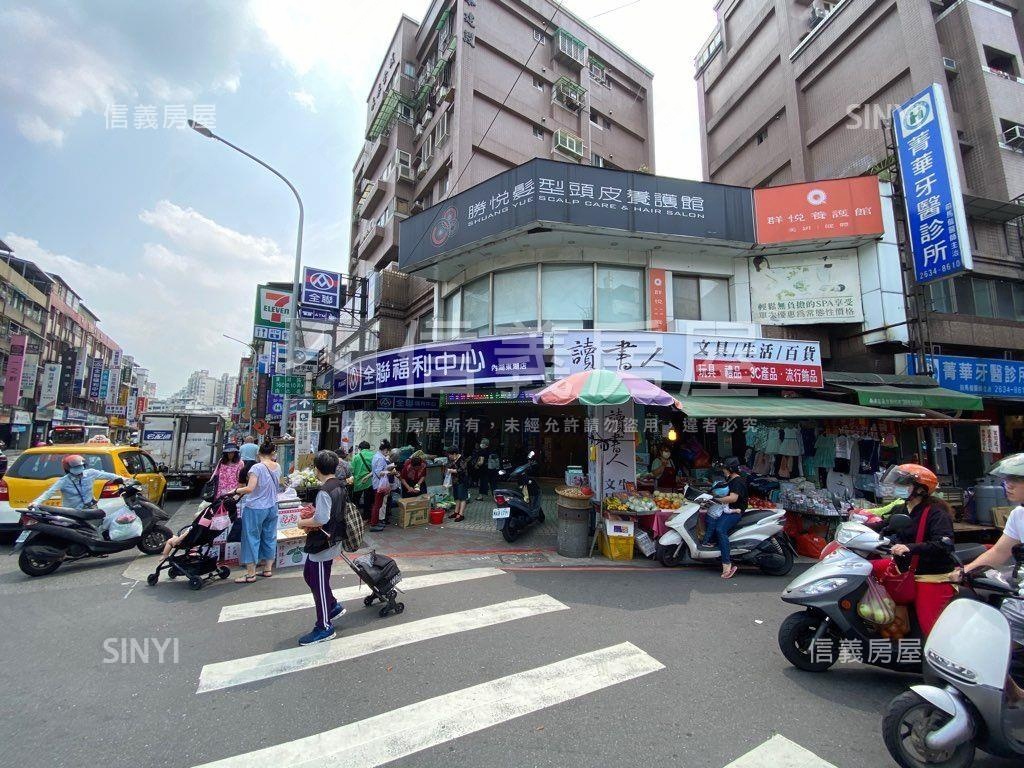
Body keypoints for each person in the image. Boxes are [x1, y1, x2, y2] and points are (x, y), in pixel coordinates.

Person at [961, 453, 1024, 704]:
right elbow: (999, 552)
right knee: (987, 649)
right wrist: (965, 571)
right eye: (1006, 479)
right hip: (1019, 600)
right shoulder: (1018, 515)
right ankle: (1014, 696)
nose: (1007, 485)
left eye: (1016, 480)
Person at [875, 463, 957, 637]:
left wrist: (909, 547)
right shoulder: (902, 509)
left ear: (920, 489)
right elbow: (883, 525)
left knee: (932, 630)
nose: (898, 488)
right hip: (902, 569)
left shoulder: (936, 513)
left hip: (931, 576)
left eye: (903, 484)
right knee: (867, 568)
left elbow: (944, 544)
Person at [295, 450, 348, 646]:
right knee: (310, 575)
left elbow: (321, 519)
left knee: (317, 581)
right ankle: (331, 605)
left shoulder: (325, 490)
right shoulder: (340, 485)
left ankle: (324, 626)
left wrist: (302, 523)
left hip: (323, 543)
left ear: (317, 469)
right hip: (333, 538)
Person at [31, 455, 132, 533]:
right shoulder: (64, 481)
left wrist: (126, 480)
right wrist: (36, 503)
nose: (78, 468)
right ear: (68, 469)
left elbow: (110, 476)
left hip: (90, 509)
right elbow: (49, 492)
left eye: (80, 466)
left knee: (96, 528)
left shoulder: (91, 473)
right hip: (73, 512)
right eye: (75, 467)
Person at [233, 441, 283, 583]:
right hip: (272, 506)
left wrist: (235, 491)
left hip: (256, 507)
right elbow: (278, 484)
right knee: (269, 536)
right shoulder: (277, 466)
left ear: (259, 454)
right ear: (273, 453)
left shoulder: (257, 467)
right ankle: (267, 569)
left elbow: (250, 488)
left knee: (251, 538)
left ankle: (250, 574)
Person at [705, 457, 748, 579]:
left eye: (725, 468)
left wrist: (715, 499)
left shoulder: (738, 481)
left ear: (730, 469)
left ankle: (727, 564)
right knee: (710, 522)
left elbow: (733, 498)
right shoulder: (730, 479)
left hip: (734, 512)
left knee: (720, 530)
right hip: (726, 510)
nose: (723, 471)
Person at [369, 440, 394, 532]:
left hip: (376, 483)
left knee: (377, 504)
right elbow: (379, 472)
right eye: (387, 451)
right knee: (377, 505)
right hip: (379, 484)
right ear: (386, 449)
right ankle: (373, 524)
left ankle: (375, 522)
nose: (387, 453)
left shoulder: (376, 456)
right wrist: (389, 471)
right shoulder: (380, 458)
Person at [351, 440, 375, 522]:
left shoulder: (356, 457)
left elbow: (352, 470)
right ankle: (366, 518)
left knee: (355, 500)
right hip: (370, 481)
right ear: (368, 448)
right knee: (368, 501)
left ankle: (355, 517)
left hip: (358, 482)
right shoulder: (374, 456)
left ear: (360, 448)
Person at [445, 445, 469, 522]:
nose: (449, 456)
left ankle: (461, 514)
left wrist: (452, 471)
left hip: (462, 481)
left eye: (450, 454)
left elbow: (462, 470)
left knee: (462, 497)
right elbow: (448, 466)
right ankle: (456, 512)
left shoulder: (462, 459)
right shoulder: (452, 460)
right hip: (455, 481)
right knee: (456, 497)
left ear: (454, 454)